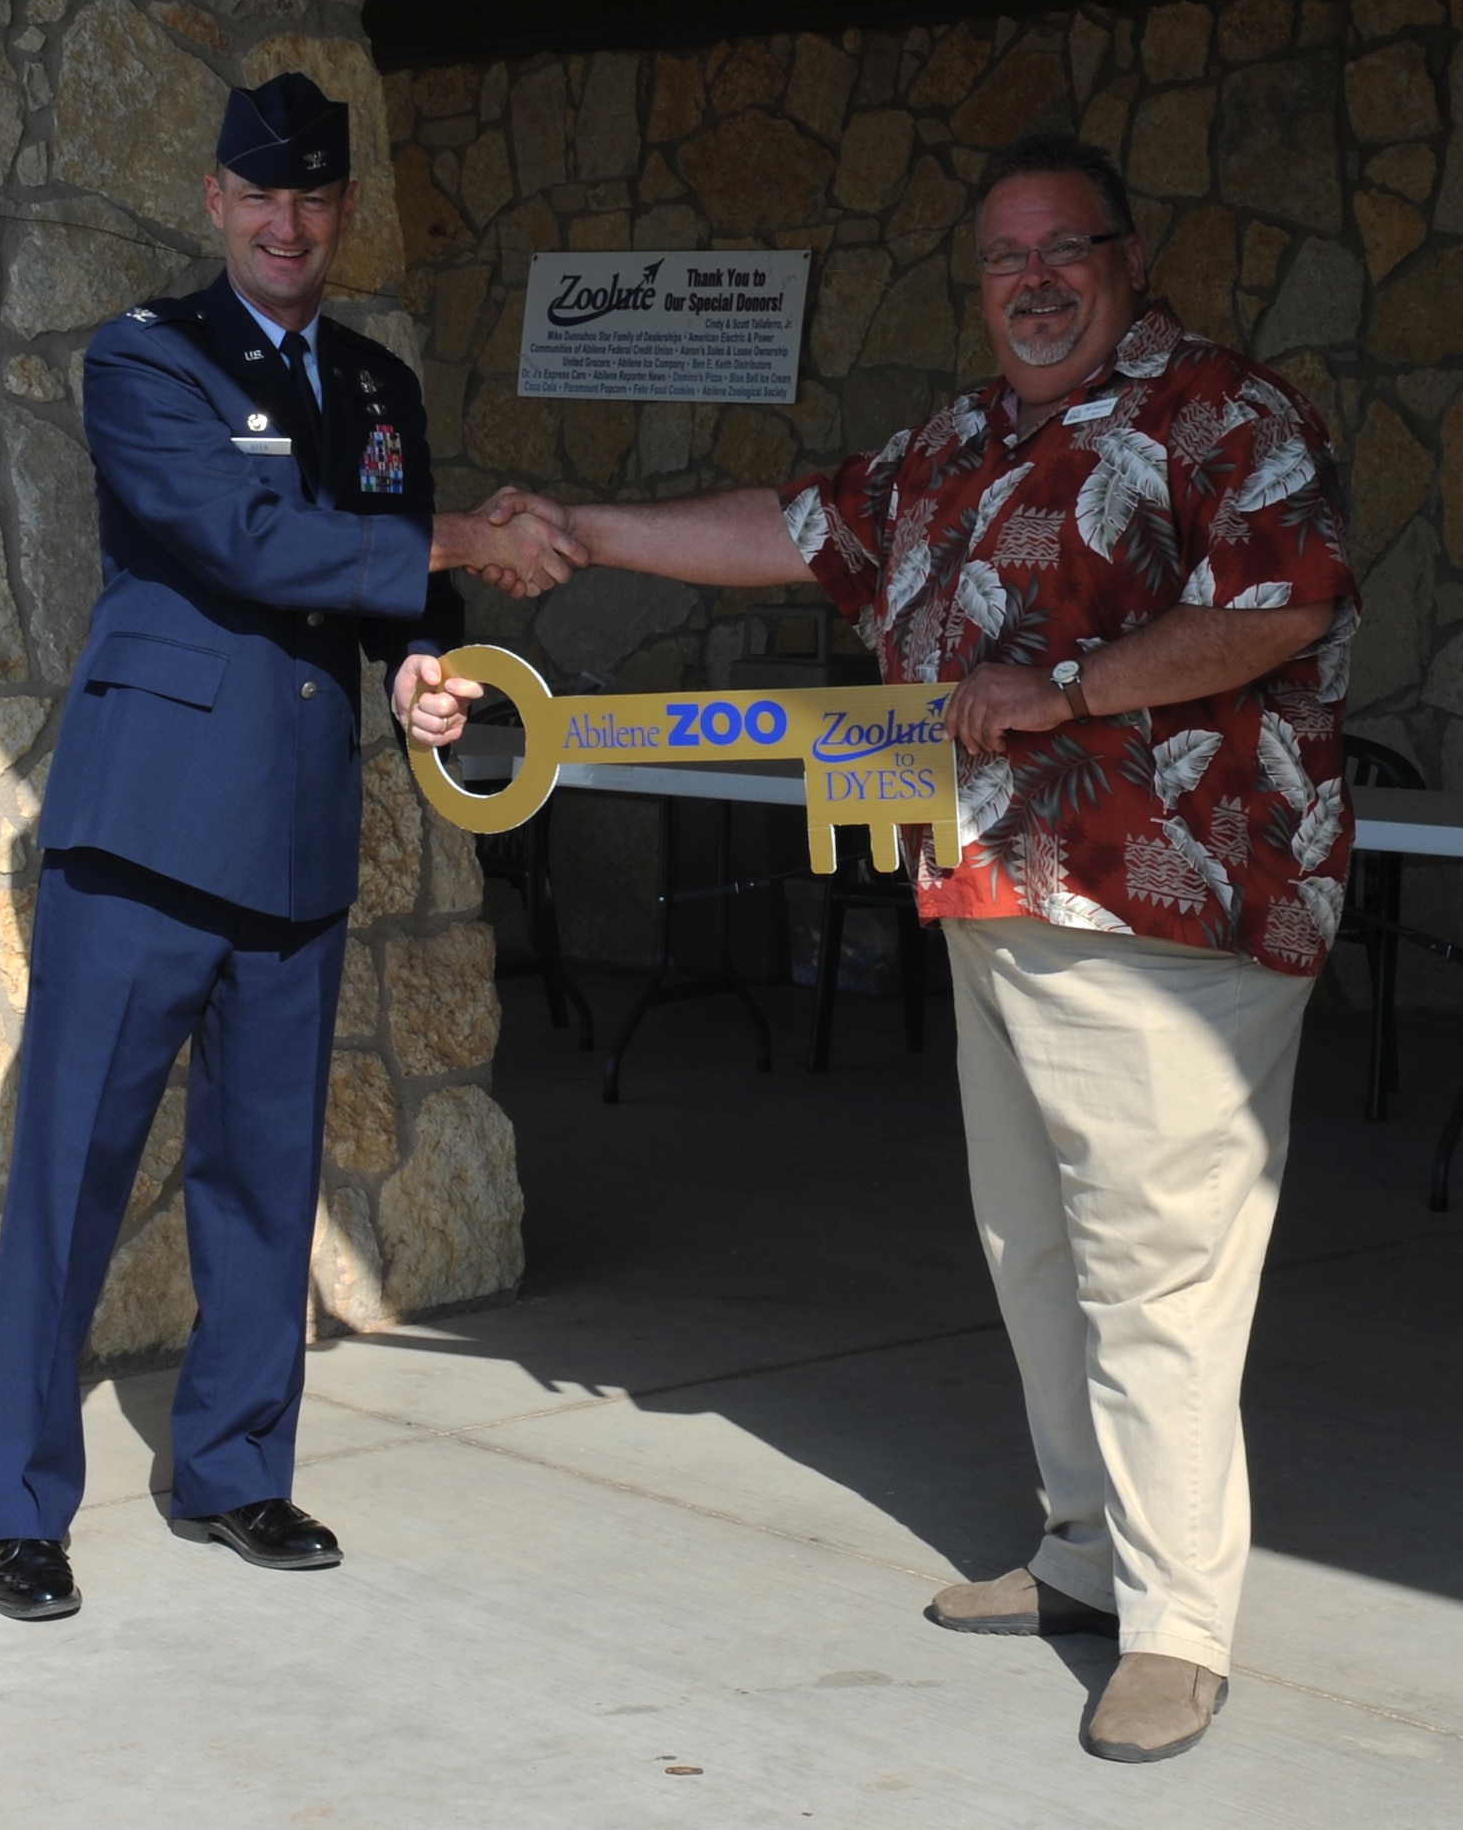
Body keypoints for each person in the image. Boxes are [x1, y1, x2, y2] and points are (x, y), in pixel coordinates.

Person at [458, 133, 1359, 1761]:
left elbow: (1286, 603)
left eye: (1062, 251)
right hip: (993, 897)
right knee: (1034, 1250)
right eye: (1004, 260)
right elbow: (797, 528)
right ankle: (1083, 1554)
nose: (1031, 283)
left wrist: (1074, 690)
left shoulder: (1224, 415)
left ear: (1126, 260)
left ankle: (1179, 1625)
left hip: (1170, 905)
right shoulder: (958, 445)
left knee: (1159, 1265)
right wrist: (581, 524)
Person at [0, 72, 582, 1621]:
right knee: (73, 1178)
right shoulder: (146, 359)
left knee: (264, 1180)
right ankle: (22, 1507)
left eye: (314, 200)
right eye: (263, 197)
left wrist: (430, 667)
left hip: (301, 838)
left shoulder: (377, 388)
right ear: (217, 204)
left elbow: (394, 596)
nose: (288, 222)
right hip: (147, 837)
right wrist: (456, 542)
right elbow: (241, 541)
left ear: (342, 214)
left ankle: (236, 1472)